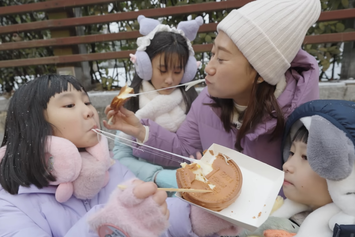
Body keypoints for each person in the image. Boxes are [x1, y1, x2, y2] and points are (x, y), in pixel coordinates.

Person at [0, 74, 241, 237]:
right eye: (70, 105)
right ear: (32, 125)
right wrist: (106, 225)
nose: (88, 111)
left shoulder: (110, 170)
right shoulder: (9, 204)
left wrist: (196, 216)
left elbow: (154, 216)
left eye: (86, 102)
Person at [104, 0, 322, 170]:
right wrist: (142, 131)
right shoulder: (205, 102)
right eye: (212, 54)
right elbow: (184, 149)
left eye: (222, 59)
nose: (209, 68)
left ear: (260, 73)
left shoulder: (300, 119)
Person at [239, 100, 355, 237]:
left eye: (306, 157)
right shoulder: (273, 211)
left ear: (347, 179)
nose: (286, 165)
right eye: (291, 153)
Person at [112, 15, 200, 190]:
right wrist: (158, 175)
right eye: (162, 70)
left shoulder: (192, 100)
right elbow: (121, 156)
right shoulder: (130, 100)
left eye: (177, 71)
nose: (170, 80)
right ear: (145, 65)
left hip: (190, 185)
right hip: (144, 186)